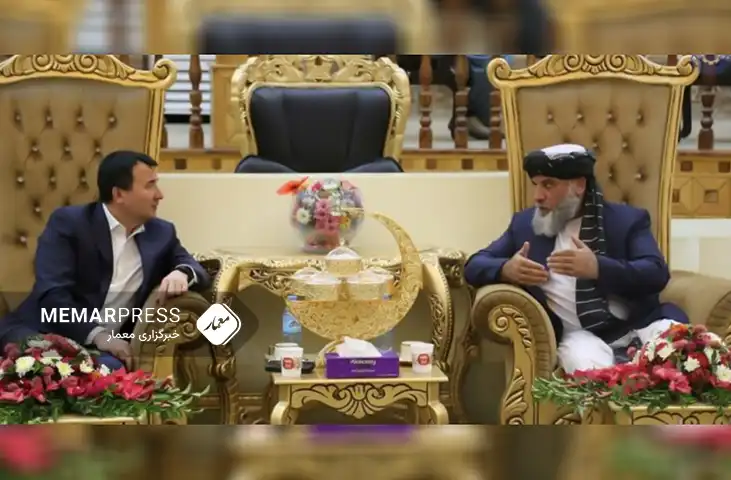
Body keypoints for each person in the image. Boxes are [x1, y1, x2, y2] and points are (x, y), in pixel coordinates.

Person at [464, 143, 690, 373]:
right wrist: (506, 269)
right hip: (580, 337)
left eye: (548, 185)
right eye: (536, 185)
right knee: (588, 371)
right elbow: (474, 264)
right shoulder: (524, 226)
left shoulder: (626, 220)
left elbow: (656, 272)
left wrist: (598, 268)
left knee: (685, 355)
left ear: (579, 185)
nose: (538, 196)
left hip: (640, 324)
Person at [0, 151, 211, 371]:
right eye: (150, 186)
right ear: (119, 194)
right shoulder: (70, 223)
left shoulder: (160, 233)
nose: (159, 195)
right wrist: (100, 336)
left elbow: (195, 267)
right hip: (41, 331)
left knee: (108, 369)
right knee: (52, 367)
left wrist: (182, 272)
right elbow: (53, 294)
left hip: (102, 350)